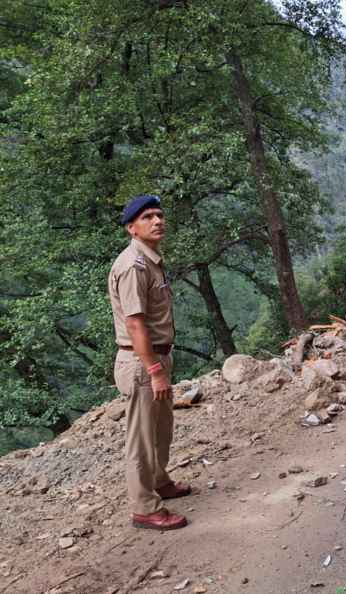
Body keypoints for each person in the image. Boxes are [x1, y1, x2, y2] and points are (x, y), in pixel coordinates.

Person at [108, 194, 191, 531]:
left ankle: (159, 481)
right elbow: (135, 324)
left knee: (160, 429)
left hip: (155, 357)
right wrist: (155, 370)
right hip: (142, 362)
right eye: (147, 218)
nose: (157, 221)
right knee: (141, 439)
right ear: (131, 228)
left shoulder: (151, 260)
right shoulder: (132, 266)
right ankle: (144, 508)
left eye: (159, 215)